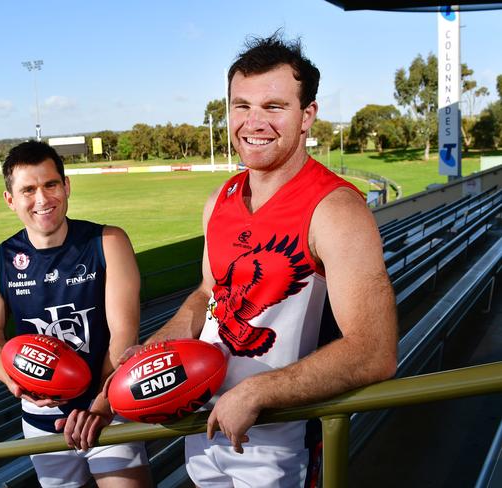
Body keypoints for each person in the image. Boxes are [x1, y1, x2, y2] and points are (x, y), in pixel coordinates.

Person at [144, 34, 398, 487]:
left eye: (274, 107)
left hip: (283, 441)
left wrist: (258, 390)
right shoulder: (219, 199)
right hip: (205, 427)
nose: (253, 122)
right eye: (241, 106)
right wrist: (155, 349)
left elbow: (374, 351)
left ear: (307, 116)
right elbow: (208, 295)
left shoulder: (335, 208)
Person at [0, 141, 151, 488]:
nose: (42, 199)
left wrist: (98, 406)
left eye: (50, 184)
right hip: (42, 421)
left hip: (106, 408)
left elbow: (124, 336)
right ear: (10, 200)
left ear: (66, 186)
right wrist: (14, 381)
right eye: (28, 190)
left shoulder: (108, 242)